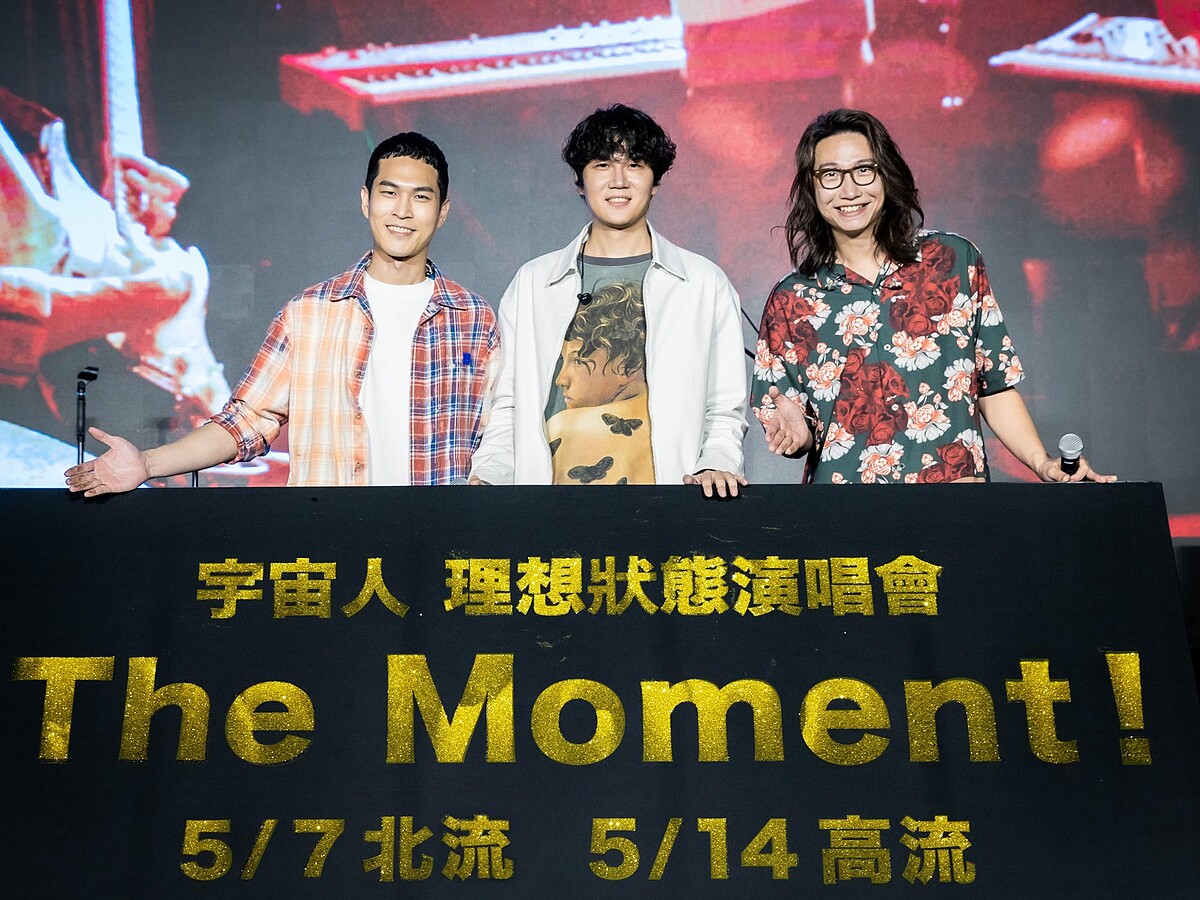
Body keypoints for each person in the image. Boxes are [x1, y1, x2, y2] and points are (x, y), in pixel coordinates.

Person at [65, 132, 498, 494]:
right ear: (366, 201)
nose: (402, 210)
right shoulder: (309, 314)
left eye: (420, 197)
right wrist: (146, 463)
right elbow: (245, 422)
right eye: (389, 193)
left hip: (434, 548)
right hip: (332, 543)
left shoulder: (473, 319)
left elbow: (501, 432)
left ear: (442, 212)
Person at [751, 108, 1113, 484]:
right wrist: (796, 438)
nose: (849, 190)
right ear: (810, 187)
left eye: (863, 170)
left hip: (955, 502)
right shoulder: (792, 299)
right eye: (830, 175)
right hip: (846, 510)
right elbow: (795, 428)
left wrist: (1041, 462)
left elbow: (994, 386)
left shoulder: (952, 260)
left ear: (886, 174)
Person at [468, 103, 748, 497]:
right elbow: (507, 405)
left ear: (655, 181)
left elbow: (724, 408)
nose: (618, 181)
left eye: (634, 165)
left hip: (667, 508)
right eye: (602, 165)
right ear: (580, 181)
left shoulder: (703, 283)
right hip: (548, 510)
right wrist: (489, 474)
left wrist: (717, 463)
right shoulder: (533, 282)